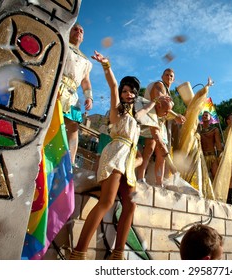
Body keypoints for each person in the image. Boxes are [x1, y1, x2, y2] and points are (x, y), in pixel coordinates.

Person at [69, 51, 166, 260]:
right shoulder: (116, 112)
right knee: (106, 202)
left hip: (128, 163)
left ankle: (118, 253)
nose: (127, 93)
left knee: (130, 204)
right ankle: (78, 252)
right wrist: (107, 66)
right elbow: (113, 87)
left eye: (132, 91)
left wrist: (155, 101)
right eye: (125, 90)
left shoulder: (135, 118)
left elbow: (147, 108)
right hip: (114, 156)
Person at [137, 68, 185, 186]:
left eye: (171, 76)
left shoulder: (168, 92)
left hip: (160, 123)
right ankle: (140, 177)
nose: (169, 77)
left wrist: (175, 116)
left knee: (161, 153)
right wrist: (176, 116)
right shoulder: (159, 85)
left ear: (173, 80)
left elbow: (165, 109)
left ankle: (159, 182)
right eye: (167, 75)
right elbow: (160, 104)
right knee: (149, 149)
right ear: (162, 76)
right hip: (151, 119)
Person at [58, 23, 93, 166]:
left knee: (73, 126)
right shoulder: (62, 45)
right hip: (58, 86)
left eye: (81, 31)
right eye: (75, 29)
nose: (78, 31)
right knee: (53, 119)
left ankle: (70, 161)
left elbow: (85, 81)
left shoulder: (86, 61)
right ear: (69, 31)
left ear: (83, 38)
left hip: (73, 93)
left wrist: (89, 97)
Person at [199, 111, 223, 180]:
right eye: (203, 115)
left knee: (216, 176)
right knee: (203, 178)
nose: (204, 116)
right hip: (202, 157)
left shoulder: (215, 130)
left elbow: (218, 143)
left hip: (213, 157)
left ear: (210, 118)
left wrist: (219, 157)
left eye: (206, 115)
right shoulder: (199, 132)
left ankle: (218, 191)